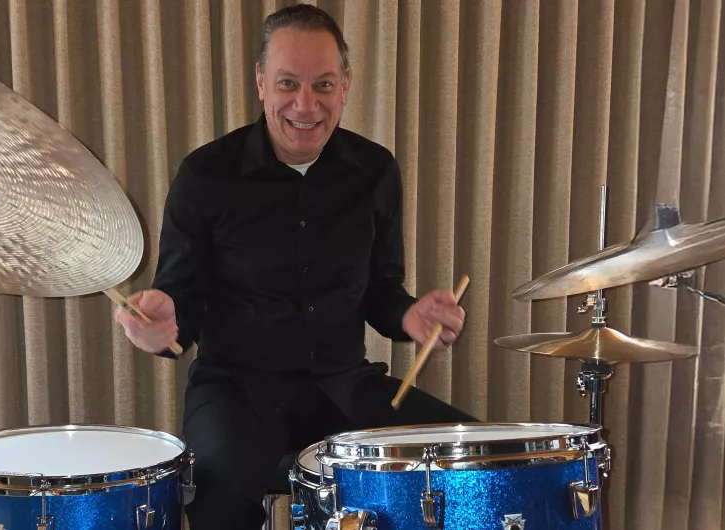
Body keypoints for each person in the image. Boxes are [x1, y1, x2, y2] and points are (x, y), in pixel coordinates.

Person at [115, 4, 477, 529]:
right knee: (219, 489)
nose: (305, 105)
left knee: (478, 462)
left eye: (323, 85)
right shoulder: (205, 175)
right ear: (261, 82)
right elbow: (180, 302)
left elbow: (380, 290)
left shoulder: (375, 170)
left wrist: (409, 316)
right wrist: (160, 323)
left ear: (346, 85)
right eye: (288, 83)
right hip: (237, 391)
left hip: (344, 386)